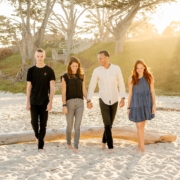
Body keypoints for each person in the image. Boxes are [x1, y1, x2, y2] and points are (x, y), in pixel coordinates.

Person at [87, 50, 126, 154]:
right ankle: (110, 147)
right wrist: (88, 99)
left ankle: (104, 141)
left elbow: (121, 83)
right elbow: (92, 85)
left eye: (101, 58)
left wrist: (123, 97)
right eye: (98, 58)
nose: (99, 60)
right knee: (107, 124)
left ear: (107, 58)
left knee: (110, 124)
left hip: (114, 99)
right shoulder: (97, 71)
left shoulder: (116, 68)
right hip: (103, 100)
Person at [26, 48, 56, 152]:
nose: (39, 58)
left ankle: (40, 145)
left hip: (45, 102)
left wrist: (51, 102)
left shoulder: (49, 71)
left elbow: (52, 88)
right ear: (35, 56)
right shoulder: (31, 71)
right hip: (33, 101)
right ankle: (38, 137)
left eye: (41, 56)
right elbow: (29, 87)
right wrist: (27, 102)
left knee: (43, 124)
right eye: (38, 56)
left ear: (44, 57)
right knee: (34, 123)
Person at [127, 59, 156, 153]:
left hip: (146, 103)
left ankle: (139, 146)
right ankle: (143, 148)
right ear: (135, 69)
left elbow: (152, 91)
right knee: (139, 126)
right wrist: (128, 107)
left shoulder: (149, 77)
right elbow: (130, 94)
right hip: (135, 104)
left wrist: (154, 104)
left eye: (141, 68)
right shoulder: (131, 78)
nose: (139, 70)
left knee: (142, 126)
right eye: (137, 68)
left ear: (144, 68)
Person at [61, 56, 87, 153]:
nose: (75, 68)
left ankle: (76, 146)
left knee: (77, 126)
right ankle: (68, 143)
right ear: (69, 66)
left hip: (80, 103)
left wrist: (88, 100)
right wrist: (64, 105)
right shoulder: (65, 77)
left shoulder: (81, 76)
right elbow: (63, 92)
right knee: (69, 126)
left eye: (77, 66)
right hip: (69, 103)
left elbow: (83, 90)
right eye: (73, 66)